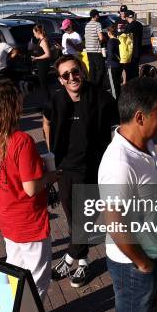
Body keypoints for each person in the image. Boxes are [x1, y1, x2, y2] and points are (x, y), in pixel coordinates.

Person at [98, 77, 157, 312]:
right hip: (133, 263)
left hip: (151, 252)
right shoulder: (119, 163)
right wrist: (142, 263)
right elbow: (115, 225)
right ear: (140, 117)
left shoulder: (146, 145)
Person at [43, 55, 118, 288]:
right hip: (65, 169)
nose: (72, 77)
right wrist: (50, 153)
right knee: (73, 217)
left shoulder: (100, 98)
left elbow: (116, 128)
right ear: (61, 80)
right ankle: (83, 261)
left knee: (85, 219)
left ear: (82, 71)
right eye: (66, 75)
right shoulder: (56, 100)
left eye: (75, 72)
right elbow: (45, 120)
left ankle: (69, 257)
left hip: (92, 168)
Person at [0, 79, 56, 299]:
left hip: (6, 216)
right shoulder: (22, 141)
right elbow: (31, 187)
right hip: (28, 220)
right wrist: (50, 176)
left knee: (15, 270)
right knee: (37, 279)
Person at [31, 24, 53, 102]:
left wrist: (37, 58)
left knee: (44, 85)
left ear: (38, 32)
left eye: (34, 33)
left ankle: (49, 102)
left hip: (43, 65)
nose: (34, 34)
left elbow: (48, 54)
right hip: (41, 64)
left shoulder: (43, 40)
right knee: (43, 84)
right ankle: (48, 102)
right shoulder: (41, 40)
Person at [84, 9, 106, 87]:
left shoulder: (87, 25)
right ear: (96, 16)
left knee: (92, 68)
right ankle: (98, 85)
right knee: (101, 68)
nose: (98, 17)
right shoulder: (97, 24)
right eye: (98, 15)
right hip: (96, 50)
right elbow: (101, 38)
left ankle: (92, 84)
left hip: (89, 50)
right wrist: (104, 39)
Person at [124, 10, 143, 81]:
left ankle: (131, 86)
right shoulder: (140, 25)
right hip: (138, 49)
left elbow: (126, 40)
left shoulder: (129, 27)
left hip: (131, 51)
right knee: (135, 69)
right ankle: (137, 84)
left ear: (126, 17)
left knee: (129, 71)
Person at [106, 24, 123, 99]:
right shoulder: (118, 40)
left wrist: (106, 59)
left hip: (112, 65)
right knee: (118, 84)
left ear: (109, 33)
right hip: (119, 65)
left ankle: (115, 102)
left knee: (113, 86)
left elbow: (110, 54)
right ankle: (119, 99)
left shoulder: (110, 42)